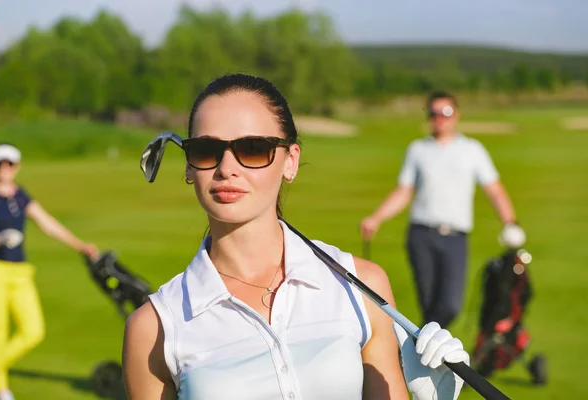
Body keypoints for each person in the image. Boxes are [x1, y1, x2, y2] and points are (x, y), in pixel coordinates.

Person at [122, 74, 471, 400]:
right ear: (188, 165)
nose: (226, 167)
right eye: (205, 150)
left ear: (290, 161)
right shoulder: (153, 329)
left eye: (254, 148)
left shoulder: (362, 287)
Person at [360, 91, 526, 331]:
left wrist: (510, 222)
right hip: (421, 236)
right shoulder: (417, 149)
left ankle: (411, 348)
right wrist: (376, 218)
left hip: (455, 238)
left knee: (449, 306)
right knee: (429, 305)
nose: (440, 118)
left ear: (456, 115)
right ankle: (424, 358)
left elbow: (494, 190)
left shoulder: (472, 150)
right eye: (434, 113)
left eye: (445, 113)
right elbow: (404, 192)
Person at [0, 143, 99, 400]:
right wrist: (1, 238)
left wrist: (80, 245)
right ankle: (3, 390)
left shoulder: (20, 195)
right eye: (0, 164)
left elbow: (47, 223)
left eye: (10, 164)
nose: (5, 169)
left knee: (33, 330)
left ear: (17, 167)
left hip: (20, 271)